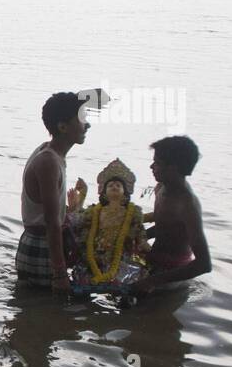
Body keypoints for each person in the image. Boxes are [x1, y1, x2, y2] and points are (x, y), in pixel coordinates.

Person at [17, 91, 90, 293]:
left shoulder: (51, 153)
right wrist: (59, 273)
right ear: (63, 127)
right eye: (82, 119)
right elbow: (51, 221)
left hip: (43, 245)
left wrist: (76, 207)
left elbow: (50, 213)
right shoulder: (49, 161)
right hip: (42, 248)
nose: (87, 124)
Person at [134, 136, 211, 294]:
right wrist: (136, 236)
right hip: (154, 261)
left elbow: (204, 264)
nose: (151, 166)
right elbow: (166, 227)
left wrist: (151, 281)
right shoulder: (160, 187)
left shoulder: (187, 206)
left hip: (173, 274)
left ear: (173, 168)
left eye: (157, 163)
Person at [69, 158, 150, 290]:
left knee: (132, 281)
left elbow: (140, 234)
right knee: (82, 277)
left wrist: (146, 248)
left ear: (125, 191)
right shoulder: (94, 211)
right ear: (104, 192)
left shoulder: (132, 213)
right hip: (95, 255)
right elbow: (78, 222)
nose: (114, 187)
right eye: (110, 185)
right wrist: (80, 199)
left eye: (118, 185)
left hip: (120, 257)